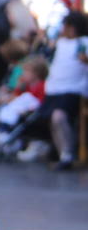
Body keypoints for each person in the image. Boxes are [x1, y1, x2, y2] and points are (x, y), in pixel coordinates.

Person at [40, 11, 88, 170]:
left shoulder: (83, 43)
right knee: (52, 120)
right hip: (54, 88)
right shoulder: (60, 43)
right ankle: (61, 153)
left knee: (58, 117)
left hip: (72, 88)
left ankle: (68, 154)